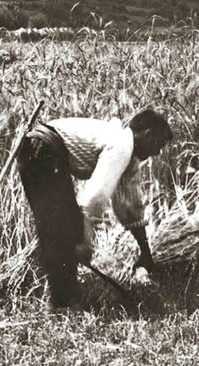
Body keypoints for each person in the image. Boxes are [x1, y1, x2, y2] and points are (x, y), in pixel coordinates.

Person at [15, 108, 173, 308]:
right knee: (60, 229)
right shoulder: (122, 145)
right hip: (43, 150)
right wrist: (84, 240)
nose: (157, 153)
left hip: (37, 151)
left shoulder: (127, 153)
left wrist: (145, 252)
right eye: (158, 145)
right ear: (147, 134)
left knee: (60, 228)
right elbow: (95, 197)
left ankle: (63, 301)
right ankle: (64, 304)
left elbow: (129, 206)